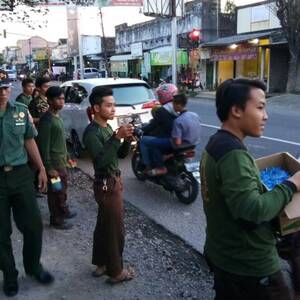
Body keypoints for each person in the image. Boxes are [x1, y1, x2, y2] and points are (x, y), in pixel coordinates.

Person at [200, 78, 300, 300]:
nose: (265, 116)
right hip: (249, 265)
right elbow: (252, 212)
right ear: (236, 110)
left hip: (223, 253)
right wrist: (292, 184)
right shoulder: (234, 155)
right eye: (260, 107)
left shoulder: (216, 143)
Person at [0, 77, 54, 297]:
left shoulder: (20, 111)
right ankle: (10, 276)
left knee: (33, 226)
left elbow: (29, 141)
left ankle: (33, 267)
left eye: (4, 88)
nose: (2, 92)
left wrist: (41, 168)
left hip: (21, 175)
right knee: (1, 234)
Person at [83, 86, 135, 285]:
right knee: (115, 230)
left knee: (104, 226)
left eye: (114, 105)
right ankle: (116, 272)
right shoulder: (92, 132)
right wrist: (116, 137)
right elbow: (101, 161)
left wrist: (126, 141)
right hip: (106, 184)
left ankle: (101, 263)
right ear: (96, 108)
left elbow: (120, 155)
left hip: (113, 181)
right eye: (109, 105)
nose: (113, 109)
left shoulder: (106, 128)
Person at [37, 86, 76, 230]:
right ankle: (56, 219)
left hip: (61, 163)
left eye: (62, 99)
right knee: (56, 192)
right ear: (49, 100)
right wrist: (49, 168)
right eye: (58, 99)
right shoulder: (47, 121)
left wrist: (68, 157)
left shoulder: (57, 117)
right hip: (54, 166)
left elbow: (60, 141)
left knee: (62, 189)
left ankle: (63, 211)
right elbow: (44, 147)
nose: (61, 102)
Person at [141, 94, 201, 176]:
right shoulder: (195, 115)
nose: (173, 107)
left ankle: (161, 168)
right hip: (193, 144)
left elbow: (177, 142)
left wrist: (169, 154)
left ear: (178, 105)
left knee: (152, 143)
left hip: (180, 146)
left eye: (173, 105)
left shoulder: (178, 121)